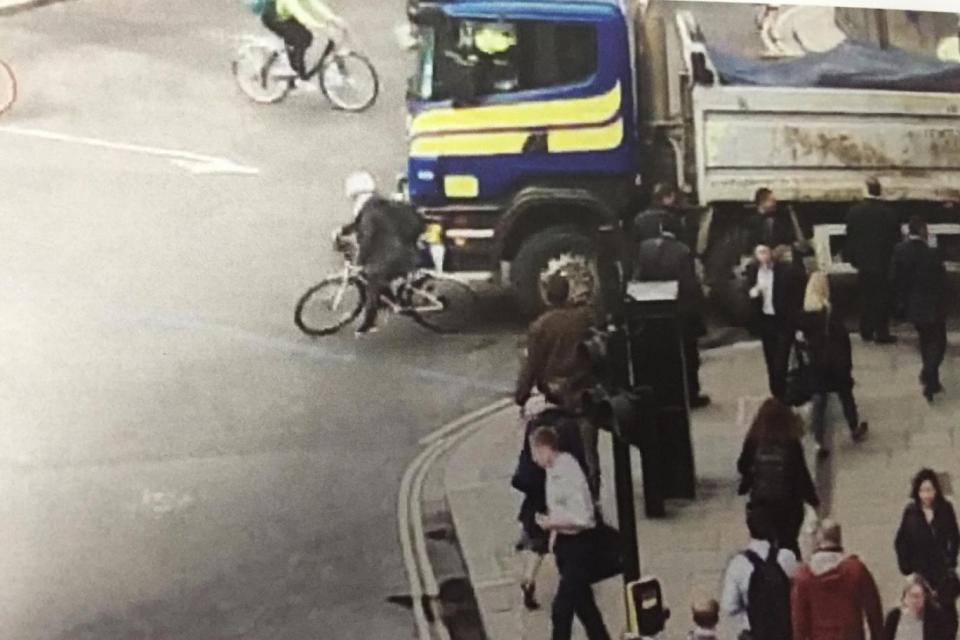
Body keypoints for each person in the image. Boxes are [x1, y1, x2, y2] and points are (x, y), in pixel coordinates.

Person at [516, 274, 599, 497]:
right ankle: (592, 501)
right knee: (588, 454)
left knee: (553, 456)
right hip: (583, 398)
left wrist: (521, 396)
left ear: (546, 296)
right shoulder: (583, 320)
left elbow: (531, 366)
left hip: (554, 401)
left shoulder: (540, 327)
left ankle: (560, 504)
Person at [531, 427, 611, 640]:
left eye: (535, 452)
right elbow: (558, 506)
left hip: (580, 546)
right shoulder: (552, 469)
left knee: (561, 610)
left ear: (546, 448)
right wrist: (553, 536)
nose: (534, 458)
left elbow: (583, 517)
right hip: (565, 547)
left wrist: (551, 523)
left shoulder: (568, 471)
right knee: (585, 606)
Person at [511, 396, 588, 611]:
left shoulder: (535, 427)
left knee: (538, 538)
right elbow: (580, 460)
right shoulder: (568, 425)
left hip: (536, 491)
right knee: (562, 539)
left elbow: (527, 460)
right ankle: (572, 581)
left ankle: (529, 577)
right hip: (560, 493)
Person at [633, 215, 711, 408]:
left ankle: (663, 395)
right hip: (680, 313)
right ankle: (691, 395)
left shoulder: (645, 248)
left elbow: (638, 277)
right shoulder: (682, 251)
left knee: (661, 357)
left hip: (653, 311)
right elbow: (689, 285)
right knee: (688, 357)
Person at [338, 171, 424, 335]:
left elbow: (368, 236)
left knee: (372, 280)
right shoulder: (376, 204)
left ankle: (369, 323)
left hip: (396, 255)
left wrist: (360, 261)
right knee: (376, 274)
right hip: (401, 248)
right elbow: (360, 223)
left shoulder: (370, 210)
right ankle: (388, 299)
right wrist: (344, 230)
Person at [797, 272, 869, 459]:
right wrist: (848, 364)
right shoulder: (830, 311)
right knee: (846, 395)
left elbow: (800, 340)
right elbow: (842, 340)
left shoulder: (804, 313)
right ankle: (853, 427)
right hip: (835, 362)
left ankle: (818, 441)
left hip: (816, 363)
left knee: (819, 402)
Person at [737, 397, 819, 558]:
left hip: (762, 503)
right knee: (789, 543)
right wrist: (813, 500)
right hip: (789, 504)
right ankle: (792, 575)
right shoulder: (791, 442)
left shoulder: (755, 440)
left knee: (763, 547)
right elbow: (801, 474)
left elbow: (742, 465)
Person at [791, 520, 884, 640]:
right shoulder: (856, 569)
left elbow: (799, 621)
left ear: (818, 539)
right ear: (839, 537)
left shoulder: (804, 575)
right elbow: (874, 611)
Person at [895, 468, 960, 638]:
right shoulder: (911, 514)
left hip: (942, 573)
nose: (927, 495)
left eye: (930, 490)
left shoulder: (945, 509)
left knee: (947, 616)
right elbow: (901, 542)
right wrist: (907, 569)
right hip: (921, 573)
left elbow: (954, 536)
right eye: (923, 490)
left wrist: (952, 561)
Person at [891, 217, 948, 402]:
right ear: (923, 231)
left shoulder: (899, 251)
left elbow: (896, 279)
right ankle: (929, 374)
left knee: (925, 341)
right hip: (934, 305)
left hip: (914, 306)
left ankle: (932, 379)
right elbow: (942, 280)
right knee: (939, 343)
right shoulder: (932, 254)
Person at [721, 505, 799, 639]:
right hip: (783, 632)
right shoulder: (787, 557)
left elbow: (729, 605)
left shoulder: (738, 564)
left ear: (749, 528)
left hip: (753, 632)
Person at [845, 177, 901, 344]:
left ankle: (866, 330)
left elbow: (851, 237)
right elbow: (895, 239)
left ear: (866, 190)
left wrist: (853, 258)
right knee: (882, 298)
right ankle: (882, 332)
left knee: (865, 296)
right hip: (883, 263)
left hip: (864, 263)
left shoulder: (854, 212)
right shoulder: (889, 213)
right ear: (879, 191)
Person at [745, 244, 804, 401]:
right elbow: (749, 293)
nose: (763, 256)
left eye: (765, 252)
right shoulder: (753, 272)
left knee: (781, 360)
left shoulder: (786, 271)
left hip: (783, 320)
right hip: (766, 320)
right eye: (759, 253)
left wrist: (797, 321)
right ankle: (777, 394)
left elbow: (796, 295)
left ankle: (783, 393)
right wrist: (754, 294)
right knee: (770, 359)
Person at [259, 0, 347, 81]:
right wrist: (314, 24)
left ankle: (292, 57)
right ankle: (299, 69)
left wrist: (332, 18)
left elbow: (313, 3)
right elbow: (297, 11)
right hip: (272, 17)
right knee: (302, 37)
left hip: (287, 14)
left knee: (305, 37)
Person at [883, 574, 949, 640]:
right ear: (904, 597)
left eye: (919, 597)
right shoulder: (894, 617)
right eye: (913, 596)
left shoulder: (933, 622)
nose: (915, 601)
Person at [748, 188, 799, 254]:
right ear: (762, 202)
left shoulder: (781, 219)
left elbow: (790, 239)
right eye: (772, 200)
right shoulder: (750, 222)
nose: (775, 203)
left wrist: (784, 247)